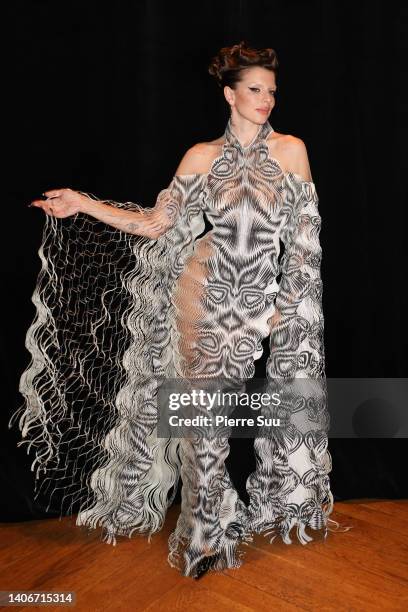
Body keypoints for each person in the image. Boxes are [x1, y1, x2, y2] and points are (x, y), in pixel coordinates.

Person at [10, 41, 351, 580]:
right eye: (254, 90)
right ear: (229, 94)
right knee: (202, 424)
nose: (265, 100)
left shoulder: (291, 151)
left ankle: (219, 522)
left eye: (271, 92)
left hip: (256, 305)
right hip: (198, 294)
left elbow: (305, 242)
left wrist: (290, 306)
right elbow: (155, 224)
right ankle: (208, 535)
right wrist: (81, 203)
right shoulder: (200, 156)